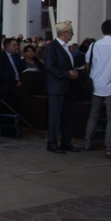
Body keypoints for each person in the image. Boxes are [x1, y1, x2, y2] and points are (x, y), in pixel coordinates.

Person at [84, 20, 111, 157]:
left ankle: (88, 143)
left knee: (94, 114)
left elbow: (88, 63)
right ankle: (110, 148)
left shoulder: (94, 45)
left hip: (95, 85)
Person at [44, 21, 80, 154]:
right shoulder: (52, 47)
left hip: (67, 87)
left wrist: (73, 71)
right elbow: (49, 66)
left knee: (67, 116)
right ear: (65, 33)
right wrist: (66, 73)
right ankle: (52, 143)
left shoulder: (67, 48)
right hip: (56, 88)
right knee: (55, 117)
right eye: (71, 32)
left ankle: (66, 142)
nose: (73, 35)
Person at [0, 37, 26, 114]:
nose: (17, 47)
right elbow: (2, 73)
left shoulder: (17, 57)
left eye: (17, 45)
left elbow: (21, 69)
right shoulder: (1, 57)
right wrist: (15, 82)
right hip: (8, 86)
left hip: (19, 85)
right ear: (7, 46)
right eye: (14, 45)